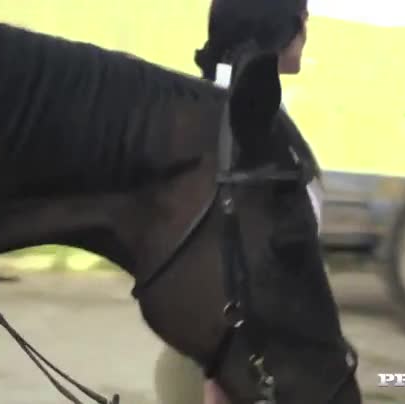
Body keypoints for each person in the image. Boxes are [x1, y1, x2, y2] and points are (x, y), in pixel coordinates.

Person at [153, 1, 315, 403]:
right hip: (227, 365)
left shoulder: (245, 109)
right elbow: (218, 252)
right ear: (281, 26)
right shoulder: (236, 121)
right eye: (304, 17)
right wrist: (220, 376)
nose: (308, 29)